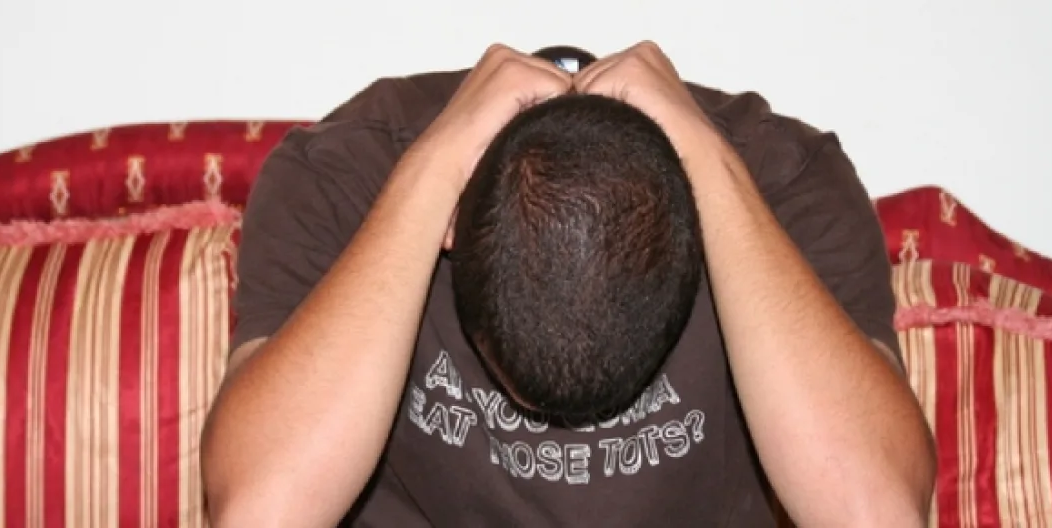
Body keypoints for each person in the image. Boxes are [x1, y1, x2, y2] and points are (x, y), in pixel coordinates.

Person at [200, 42, 937, 527]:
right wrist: (430, 174)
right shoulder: (345, 176)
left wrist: (711, 168)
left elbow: (874, 512)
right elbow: (261, 511)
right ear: (455, 236)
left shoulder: (783, 182)